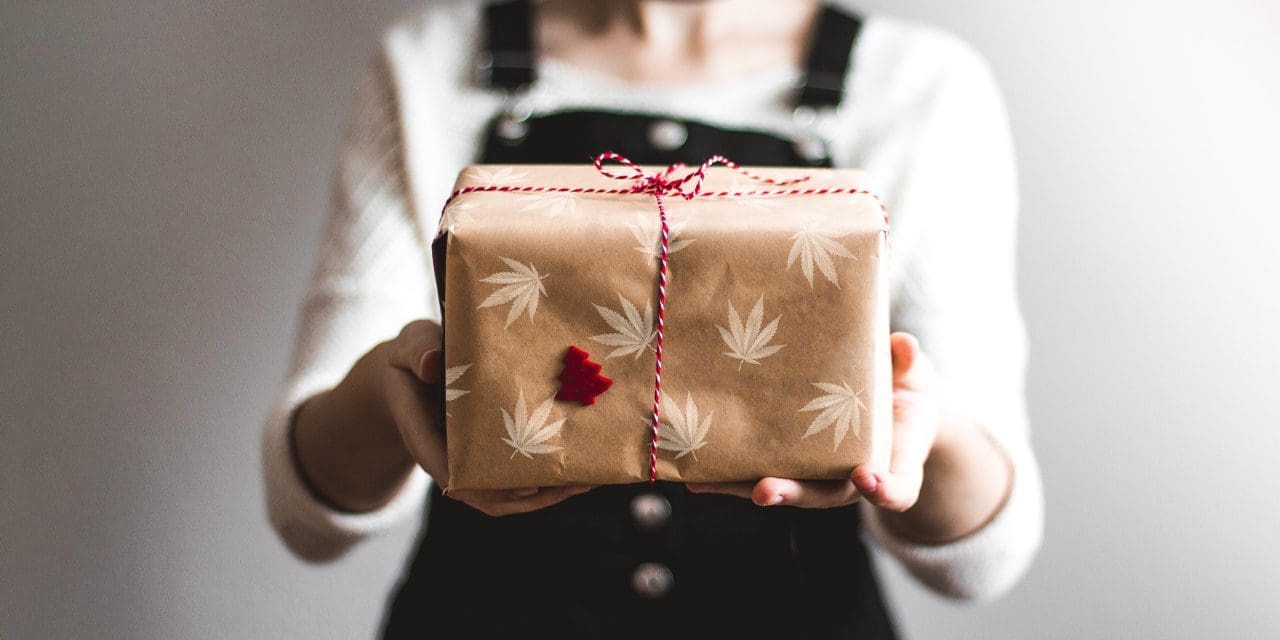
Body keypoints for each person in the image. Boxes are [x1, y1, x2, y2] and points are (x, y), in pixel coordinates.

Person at [261, 0, 1043, 637]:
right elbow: (306, 518)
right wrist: (388, 391)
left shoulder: (919, 84)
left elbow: (985, 560)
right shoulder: (432, 63)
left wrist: (922, 430)